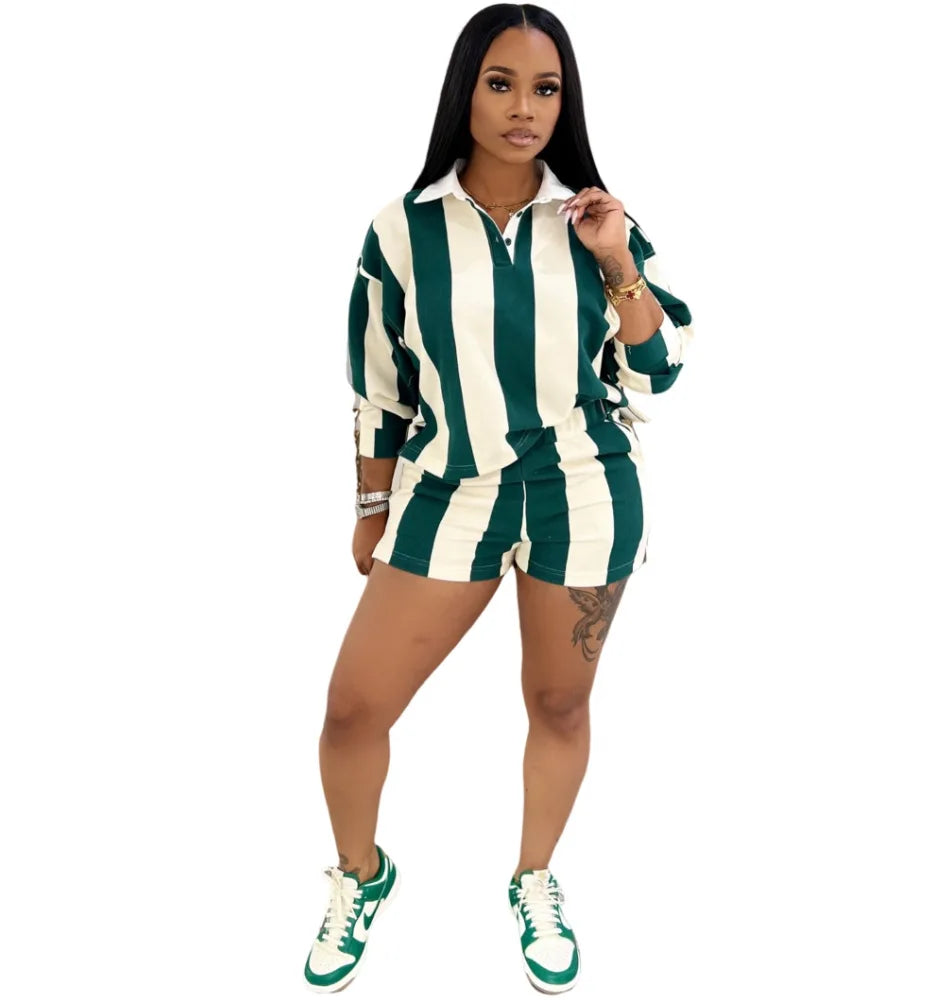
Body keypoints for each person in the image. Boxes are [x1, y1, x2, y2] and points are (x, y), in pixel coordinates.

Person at [304, 4, 694, 994]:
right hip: (452, 493)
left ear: (566, 104)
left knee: (558, 701)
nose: (525, 107)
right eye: (502, 83)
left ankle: (534, 877)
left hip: (586, 495)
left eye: (545, 89)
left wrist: (615, 260)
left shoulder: (597, 223)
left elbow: (660, 367)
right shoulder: (402, 230)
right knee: (353, 709)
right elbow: (380, 384)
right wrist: (370, 508)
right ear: (465, 93)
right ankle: (360, 873)